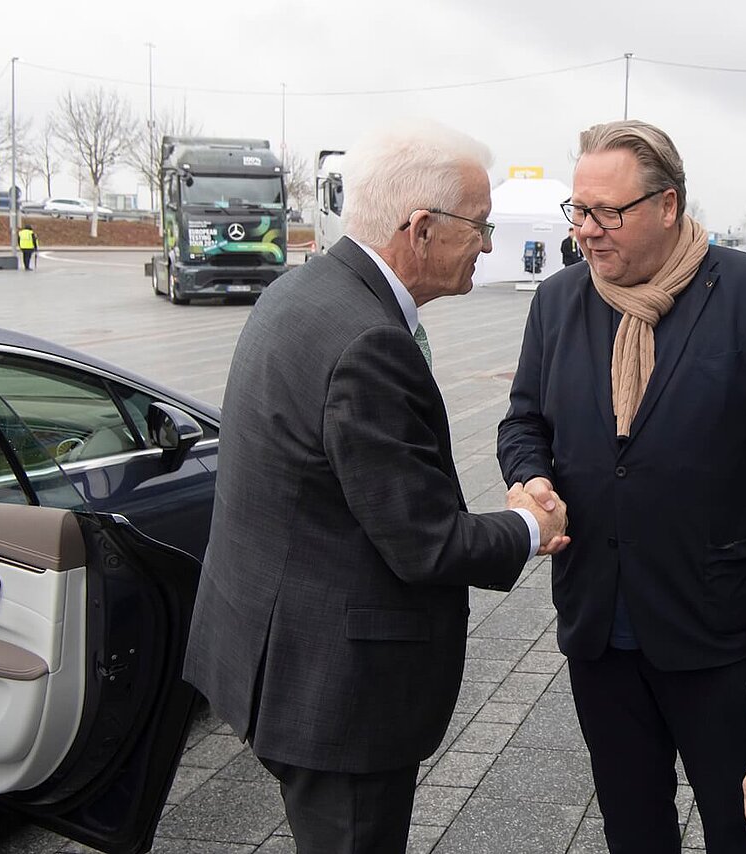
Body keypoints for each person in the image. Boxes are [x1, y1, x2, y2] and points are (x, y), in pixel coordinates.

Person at [182, 120, 570, 854]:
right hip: (335, 697)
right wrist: (529, 526)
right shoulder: (370, 342)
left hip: (273, 655)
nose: (488, 246)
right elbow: (423, 542)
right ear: (421, 228)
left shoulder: (304, 290)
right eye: (480, 228)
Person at [498, 119, 746, 854]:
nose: (587, 231)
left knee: (741, 827)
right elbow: (522, 422)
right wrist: (531, 475)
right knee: (631, 825)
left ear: (667, 205)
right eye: (578, 211)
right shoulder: (559, 302)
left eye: (607, 212)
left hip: (716, 627)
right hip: (599, 625)